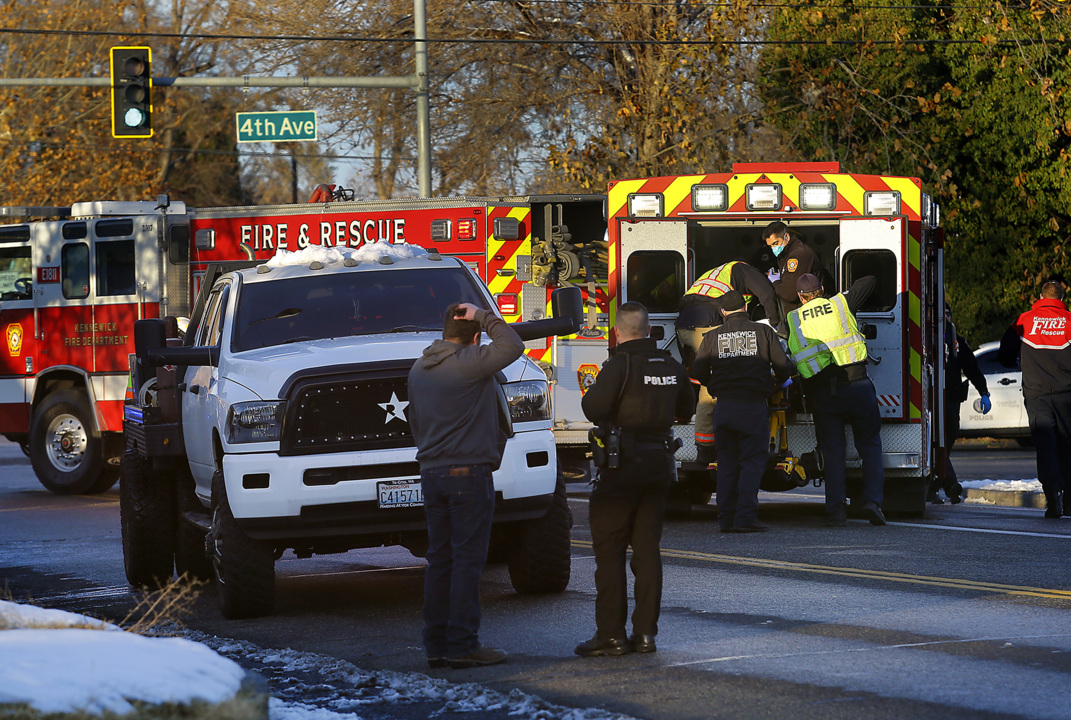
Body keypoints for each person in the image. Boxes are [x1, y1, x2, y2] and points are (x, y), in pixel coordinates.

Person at [407, 301, 524, 669]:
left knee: (441, 560)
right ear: (475, 338)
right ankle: (462, 645)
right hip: (467, 475)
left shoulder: (419, 370)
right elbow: (513, 346)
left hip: (432, 474)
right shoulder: (468, 364)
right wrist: (486, 316)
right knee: (468, 562)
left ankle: (437, 644)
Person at [576, 301, 695, 657]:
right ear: (648, 330)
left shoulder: (618, 365)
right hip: (659, 465)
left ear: (617, 331)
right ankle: (646, 635)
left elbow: (592, 409)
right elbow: (686, 410)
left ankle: (610, 635)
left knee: (610, 551)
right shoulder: (672, 366)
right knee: (647, 552)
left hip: (621, 466)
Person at [786, 273, 886, 527]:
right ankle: (872, 502)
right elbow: (870, 281)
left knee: (832, 451)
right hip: (857, 383)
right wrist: (841, 295)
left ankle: (835, 510)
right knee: (870, 444)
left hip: (823, 393)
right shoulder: (839, 303)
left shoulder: (794, 318)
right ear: (821, 290)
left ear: (800, 297)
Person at [690, 290, 794, 533]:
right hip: (753, 407)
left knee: (726, 464)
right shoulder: (764, 332)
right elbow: (783, 367)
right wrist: (775, 384)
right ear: (745, 308)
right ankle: (745, 518)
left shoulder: (712, 336)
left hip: (725, 407)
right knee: (751, 463)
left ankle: (726, 518)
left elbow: (699, 370)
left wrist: (714, 386)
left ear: (723, 312)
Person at [675, 260, 782, 467]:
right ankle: (705, 449)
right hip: (706, 323)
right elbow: (767, 294)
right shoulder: (744, 269)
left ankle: (707, 445)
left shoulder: (718, 274)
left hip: (686, 325)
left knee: (708, 377)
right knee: (709, 392)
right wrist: (775, 324)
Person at [998, 280, 1071, 518]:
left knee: (1046, 446)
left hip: (1037, 393)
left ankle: (1053, 499)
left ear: (1040, 296)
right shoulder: (1069, 321)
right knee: (1067, 444)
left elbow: (1005, 352)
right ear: (1061, 298)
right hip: (1066, 394)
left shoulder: (1024, 320)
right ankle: (1069, 499)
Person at [930, 303, 991, 504]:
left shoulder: (957, 341)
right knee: (936, 443)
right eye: (941, 314)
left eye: (948, 313)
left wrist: (984, 392)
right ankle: (950, 485)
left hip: (951, 398)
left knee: (948, 438)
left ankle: (935, 484)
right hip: (931, 399)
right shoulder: (926, 337)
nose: (945, 317)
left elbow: (972, 368)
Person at [763, 221, 826, 315]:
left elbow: (790, 294)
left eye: (776, 243)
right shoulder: (785, 254)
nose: (773, 248)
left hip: (805, 314)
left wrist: (776, 282)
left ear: (786, 237)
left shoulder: (798, 255)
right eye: (771, 245)